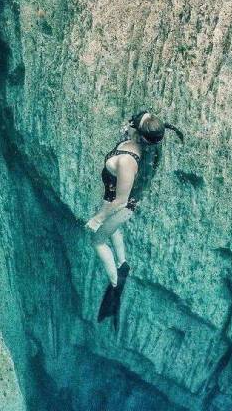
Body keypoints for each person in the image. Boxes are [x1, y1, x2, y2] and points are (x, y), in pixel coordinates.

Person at [85, 110, 184, 328]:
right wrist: (135, 123)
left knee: (98, 241)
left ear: (139, 135)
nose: (130, 123)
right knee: (115, 231)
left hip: (119, 207)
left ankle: (115, 283)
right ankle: (123, 262)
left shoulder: (129, 161)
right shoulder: (148, 136)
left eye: (134, 125)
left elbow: (120, 200)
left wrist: (97, 218)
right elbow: (145, 117)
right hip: (121, 205)